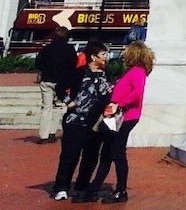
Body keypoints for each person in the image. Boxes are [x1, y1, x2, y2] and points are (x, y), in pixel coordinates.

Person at [90, 41, 154, 204]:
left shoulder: (137, 71)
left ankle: (121, 190)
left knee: (117, 152)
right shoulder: (133, 71)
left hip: (126, 116)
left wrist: (119, 104)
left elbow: (137, 92)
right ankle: (94, 187)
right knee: (108, 151)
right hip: (118, 115)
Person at [51, 46, 111, 201]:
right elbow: (60, 87)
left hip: (96, 123)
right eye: (103, 54)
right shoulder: (79, 73)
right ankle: (61, 187)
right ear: (93, 57)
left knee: (90, 157)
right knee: (70, 155)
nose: (106, 57)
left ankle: (81, 186)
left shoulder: (107, 74)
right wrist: (68, 101)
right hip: (76, 121)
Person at [34, 25, 78, 143]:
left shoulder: (47, 48)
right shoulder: (69, 49)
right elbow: (73, 65)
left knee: (46, 107)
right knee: (58, 106)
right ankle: (52, 132)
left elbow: (38, 63)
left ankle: (43, 135)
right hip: (61, 82)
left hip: (47, 80)